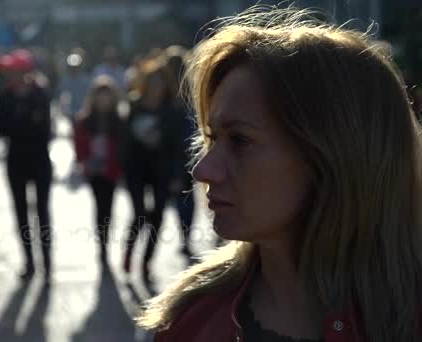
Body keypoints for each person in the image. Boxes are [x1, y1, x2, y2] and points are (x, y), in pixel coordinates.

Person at [137, 6, 422, 342]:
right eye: (212, 139)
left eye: (240, 140)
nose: (203, 170)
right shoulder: (188, 322)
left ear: (336, 155)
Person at [0, 49, 53, 280]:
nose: (11, 75)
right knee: (21, 213)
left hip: (39, 160)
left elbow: (44, 129)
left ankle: (47, 263)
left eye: (15, 71)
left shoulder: (40, 94)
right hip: (15, 161)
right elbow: (1, 128)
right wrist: (26, 122)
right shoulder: (5, 96)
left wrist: (20, 124)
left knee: (42, 212)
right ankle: (28, 262)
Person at [122, 59, 180, 281]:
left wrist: (176, 175)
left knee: (157, 217)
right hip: (136, 170)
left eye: (160, 83)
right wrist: (122, 169)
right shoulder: (134, 106)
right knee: (138, 214)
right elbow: (124, 141)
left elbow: (177, 146)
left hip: (162, 171)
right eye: (152, 83)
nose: (156, 88)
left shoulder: (171, 111)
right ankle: (129, 251)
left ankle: (146, 263)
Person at [73, 76, 124, 266]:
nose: (103, 101)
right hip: (94, 170)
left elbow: (122, 147)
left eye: (107, 97)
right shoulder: (84, 120)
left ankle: (105, 241)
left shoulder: (118, 121)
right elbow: (78, 144)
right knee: (99, 206)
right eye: (100, 96)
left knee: (108, 208)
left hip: (111, 170)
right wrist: (83, 162)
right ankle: (101, 246)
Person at [164, 45, 197, 258]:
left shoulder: (178, 95)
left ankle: (185, 237)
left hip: (177, 152)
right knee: (185, 198)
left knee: (183, 198)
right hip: (184, 152)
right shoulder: (186, 94)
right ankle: (185, 237)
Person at [56, 48, 90, 123]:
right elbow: (61, 98)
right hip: (68, 116)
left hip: (83, 114)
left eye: (76, 66)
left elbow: (88, 98)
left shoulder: (86, 80)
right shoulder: (65, 80)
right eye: (72, 66)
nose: (74, 68)